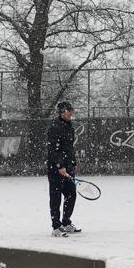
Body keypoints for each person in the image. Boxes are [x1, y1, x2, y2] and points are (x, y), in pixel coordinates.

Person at [46, 100, 81, 237]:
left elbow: (69, 147)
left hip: (68, 169)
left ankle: (66, 223)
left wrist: (72, 163)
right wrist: (59, 166)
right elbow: (53, 149)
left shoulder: (69, 126)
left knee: (71, 194)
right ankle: (56, 227)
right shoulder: (55, 127)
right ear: (62, 112)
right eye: (69, 110)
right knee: (55, 198)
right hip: (56, 169)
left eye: (71, 109)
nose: (71, 112)